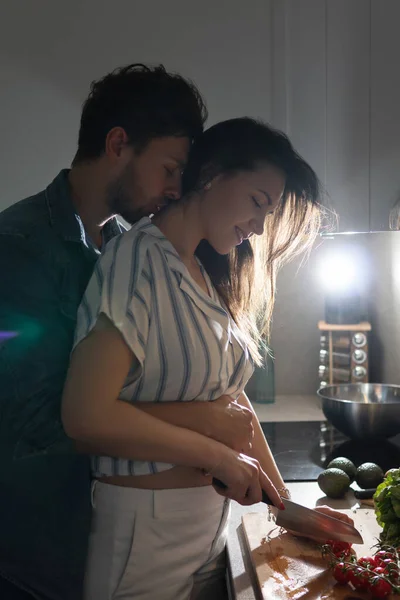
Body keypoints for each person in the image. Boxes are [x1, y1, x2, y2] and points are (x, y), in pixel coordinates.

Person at [61, 117, 353, 600]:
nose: (260, 227)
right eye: (258, 202)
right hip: (145, 528)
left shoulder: (197, 269)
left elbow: (231, 404)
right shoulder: (138, 260)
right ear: (213, 173)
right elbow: (84, 416)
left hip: (207, 525)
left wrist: (282, 504)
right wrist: (219, 456)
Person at [0, 63, 255, 600]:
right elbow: (37, 420)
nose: (174, 189)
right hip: (32, 551)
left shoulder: (126, 246)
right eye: (168, 168)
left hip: (105, 530)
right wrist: (203, 424)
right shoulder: (19, 247)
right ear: (118, 144)